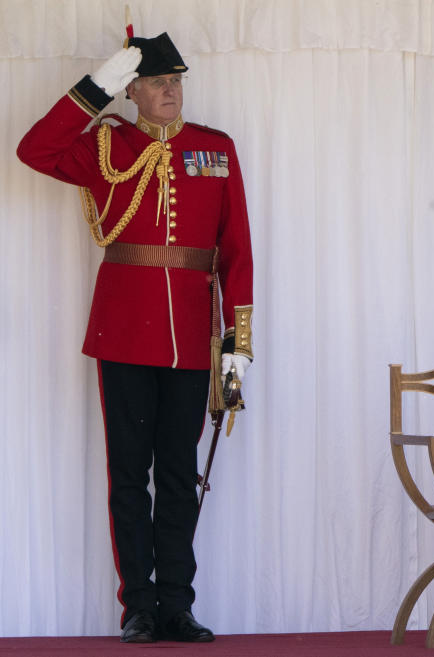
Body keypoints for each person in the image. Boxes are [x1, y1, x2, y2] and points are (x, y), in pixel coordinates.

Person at [17, 32, 254, 643]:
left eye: (176, 81)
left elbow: (236, 252)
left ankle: (177, 603)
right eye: (155, 82)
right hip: (123, 332)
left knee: (179, 473)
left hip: (193, 337)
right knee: (129, 474)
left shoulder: (215, 148)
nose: (170, 90)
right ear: (132, 91)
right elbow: (33, 149)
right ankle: (138, 607)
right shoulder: (106, 144)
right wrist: (95, 89)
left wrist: (238, 343)